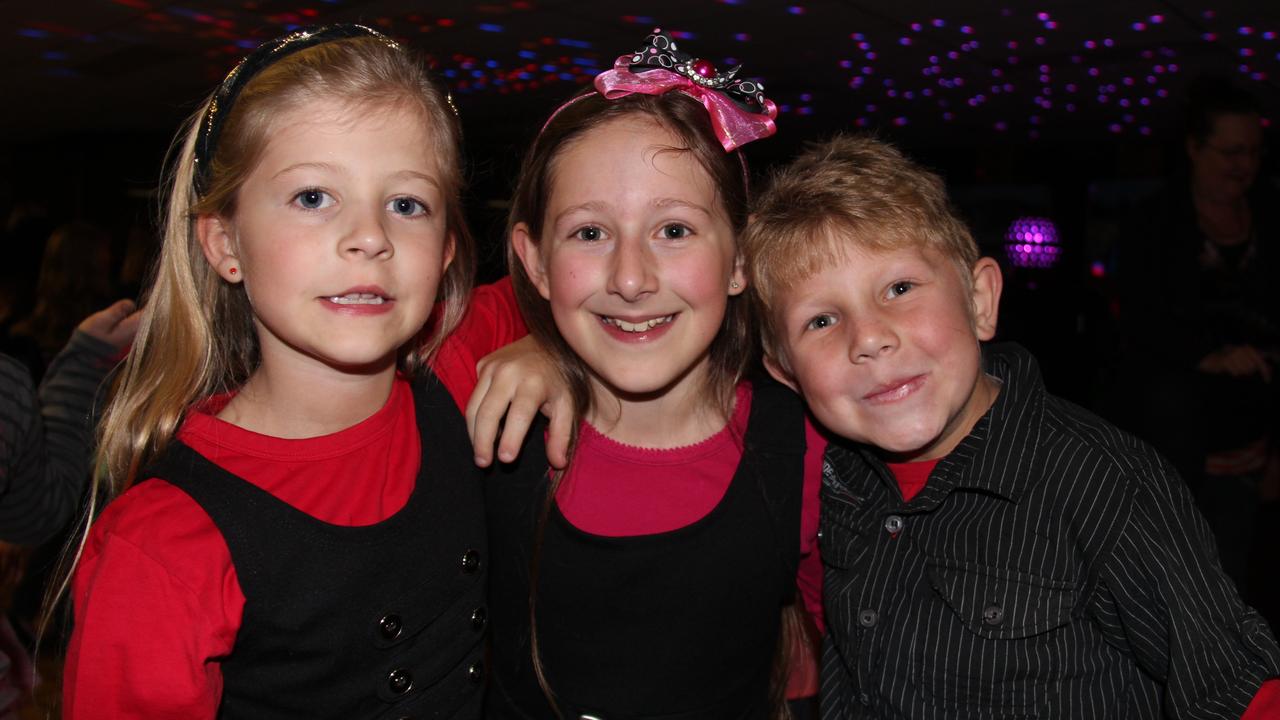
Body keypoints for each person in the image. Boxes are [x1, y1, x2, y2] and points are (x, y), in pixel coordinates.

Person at [743, 134, 1280, 718]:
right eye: (821, 319)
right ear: (788, 374)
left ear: (980, 300)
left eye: (899, 289)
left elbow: (1237, 692)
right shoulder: (841, 481)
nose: (869, 338)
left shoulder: (1103, 484)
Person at [60, 25, 503, 718]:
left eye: (407, 204)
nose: (370, 237)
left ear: (447, 248)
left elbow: (580, 298)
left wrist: (545, 354)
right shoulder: (163, 544)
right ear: (226, 242)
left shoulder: (460, 362)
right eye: (313, 197)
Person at [480, 29, 823, 719]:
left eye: (674, 231)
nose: (631, 279)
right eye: (588, 233)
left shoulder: (809, 451)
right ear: (536, 261)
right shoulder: (488, 425)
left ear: (739, 259)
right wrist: (532, 343)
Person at [1116, 78, 1278, 612]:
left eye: (1252, 151)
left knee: (1229, 591)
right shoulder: (1153, 225)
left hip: (1245, 453)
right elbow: (1134, 322)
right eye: (1230, 151)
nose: (1243, 165)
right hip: (1170, 451)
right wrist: (1206, 354)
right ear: (1194, 147)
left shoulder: (1270, 221)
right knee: (1164, 595)